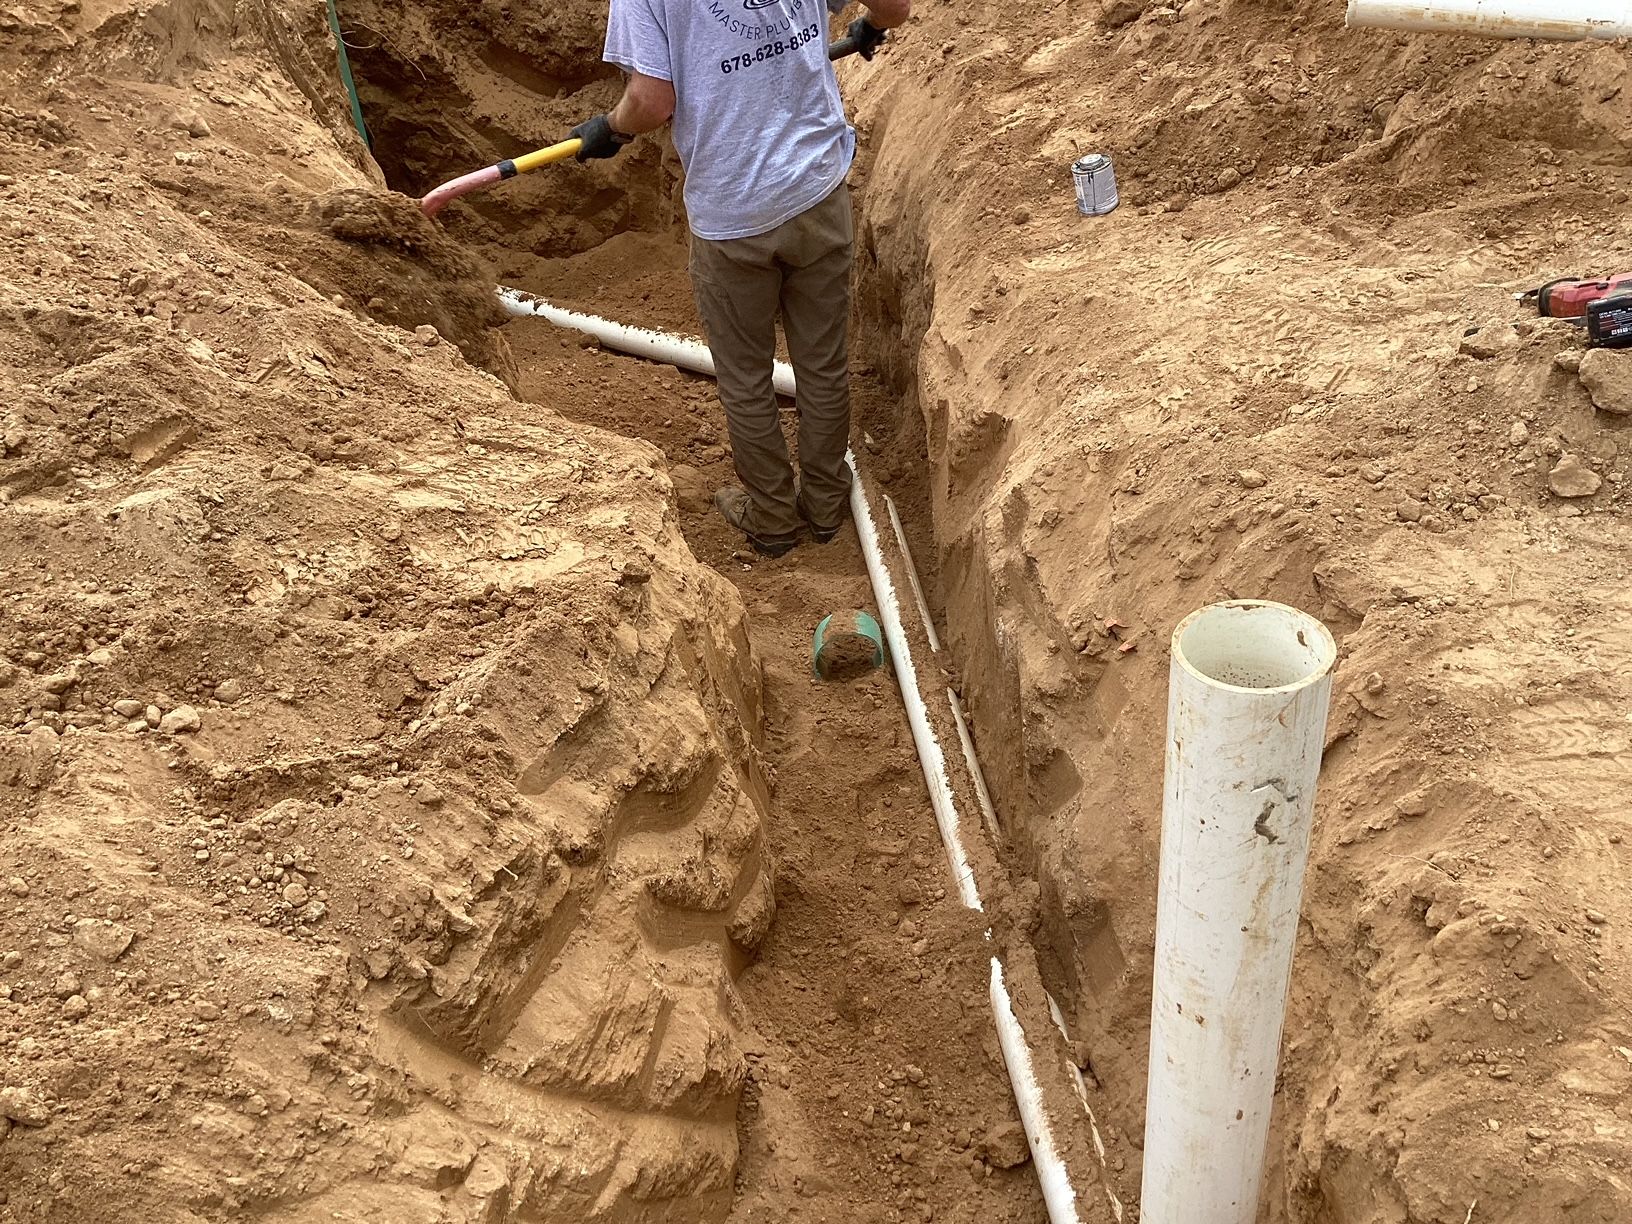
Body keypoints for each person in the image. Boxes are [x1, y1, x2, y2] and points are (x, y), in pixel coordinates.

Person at [568, 0, 911, 557]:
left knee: (747, 378)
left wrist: (610, 129)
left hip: (732, 215)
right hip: (816, 191)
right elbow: (895, 7)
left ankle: (773, 518)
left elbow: (652, 102)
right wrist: (870, 26)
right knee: (822, 363)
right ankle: (825, 506)